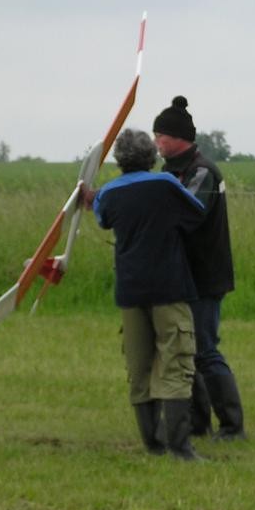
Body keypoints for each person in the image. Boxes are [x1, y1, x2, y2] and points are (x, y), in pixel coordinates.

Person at [89, 128, 207, 461]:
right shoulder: (165, 184)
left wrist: (92, 196)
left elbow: (102, 218)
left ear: (120, 160)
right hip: (169, 286)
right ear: (151, 156)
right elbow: (196, 212)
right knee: (177, 361)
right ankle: (180, 447)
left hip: (130, 290)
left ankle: (153, 444)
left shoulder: (108, 193)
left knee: (138, 366)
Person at [152, 96, 247, 440]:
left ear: (177, 137)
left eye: (160, 135)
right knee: (185, 350)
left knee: (205, 350)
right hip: (181, 275)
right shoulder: (169, 172)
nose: (156, 142)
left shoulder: (203, 172)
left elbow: (186, 212)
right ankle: (197, 423)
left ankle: (232, 426)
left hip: (205, 276)